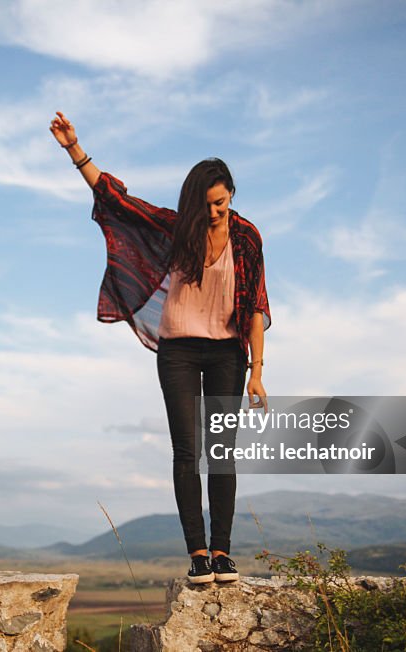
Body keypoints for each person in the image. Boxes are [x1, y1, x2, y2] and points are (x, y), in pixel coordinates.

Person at [49, 111, 271, 584]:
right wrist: (75, 150)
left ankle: (223, 552)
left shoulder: (248, 237)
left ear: (231, 195)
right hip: (179, 352)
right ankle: (197, 554)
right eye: (207, 204)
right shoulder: (176, 227)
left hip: (229, 353)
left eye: (221, 203)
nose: (214, 212)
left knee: (222, 453)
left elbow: (256, 306)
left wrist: (257, 370)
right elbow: (118, 202)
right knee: (186, 451)